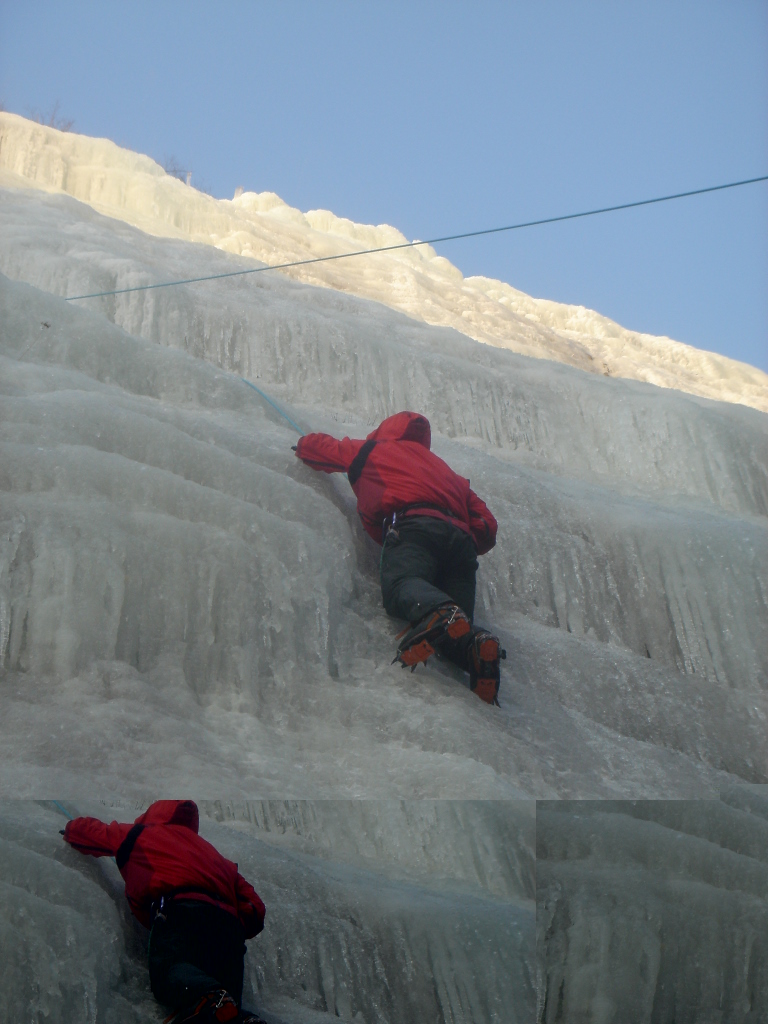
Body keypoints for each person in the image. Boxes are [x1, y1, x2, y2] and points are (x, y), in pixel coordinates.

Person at [294, 410, 505, 704]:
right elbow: (488, 525)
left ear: (387, 431)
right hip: (461, 545)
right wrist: (462, 535)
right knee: (455, 633)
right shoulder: (450, 474)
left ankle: (440, 610)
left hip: (414, 527)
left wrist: (302, 445)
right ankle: (478, 645)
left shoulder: (375, 449)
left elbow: (327, 449)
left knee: (401, 585)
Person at [62, 800, 266, 1024]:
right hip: (229, 930)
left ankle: (213, 997)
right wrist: (230, 923)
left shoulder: (143, 833)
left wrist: (71, 829)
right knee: (230, 1010)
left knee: (168, 970)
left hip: (182, 913)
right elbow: (256, 908)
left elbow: (94, 832)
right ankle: (243, 1018)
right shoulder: (220, 859)